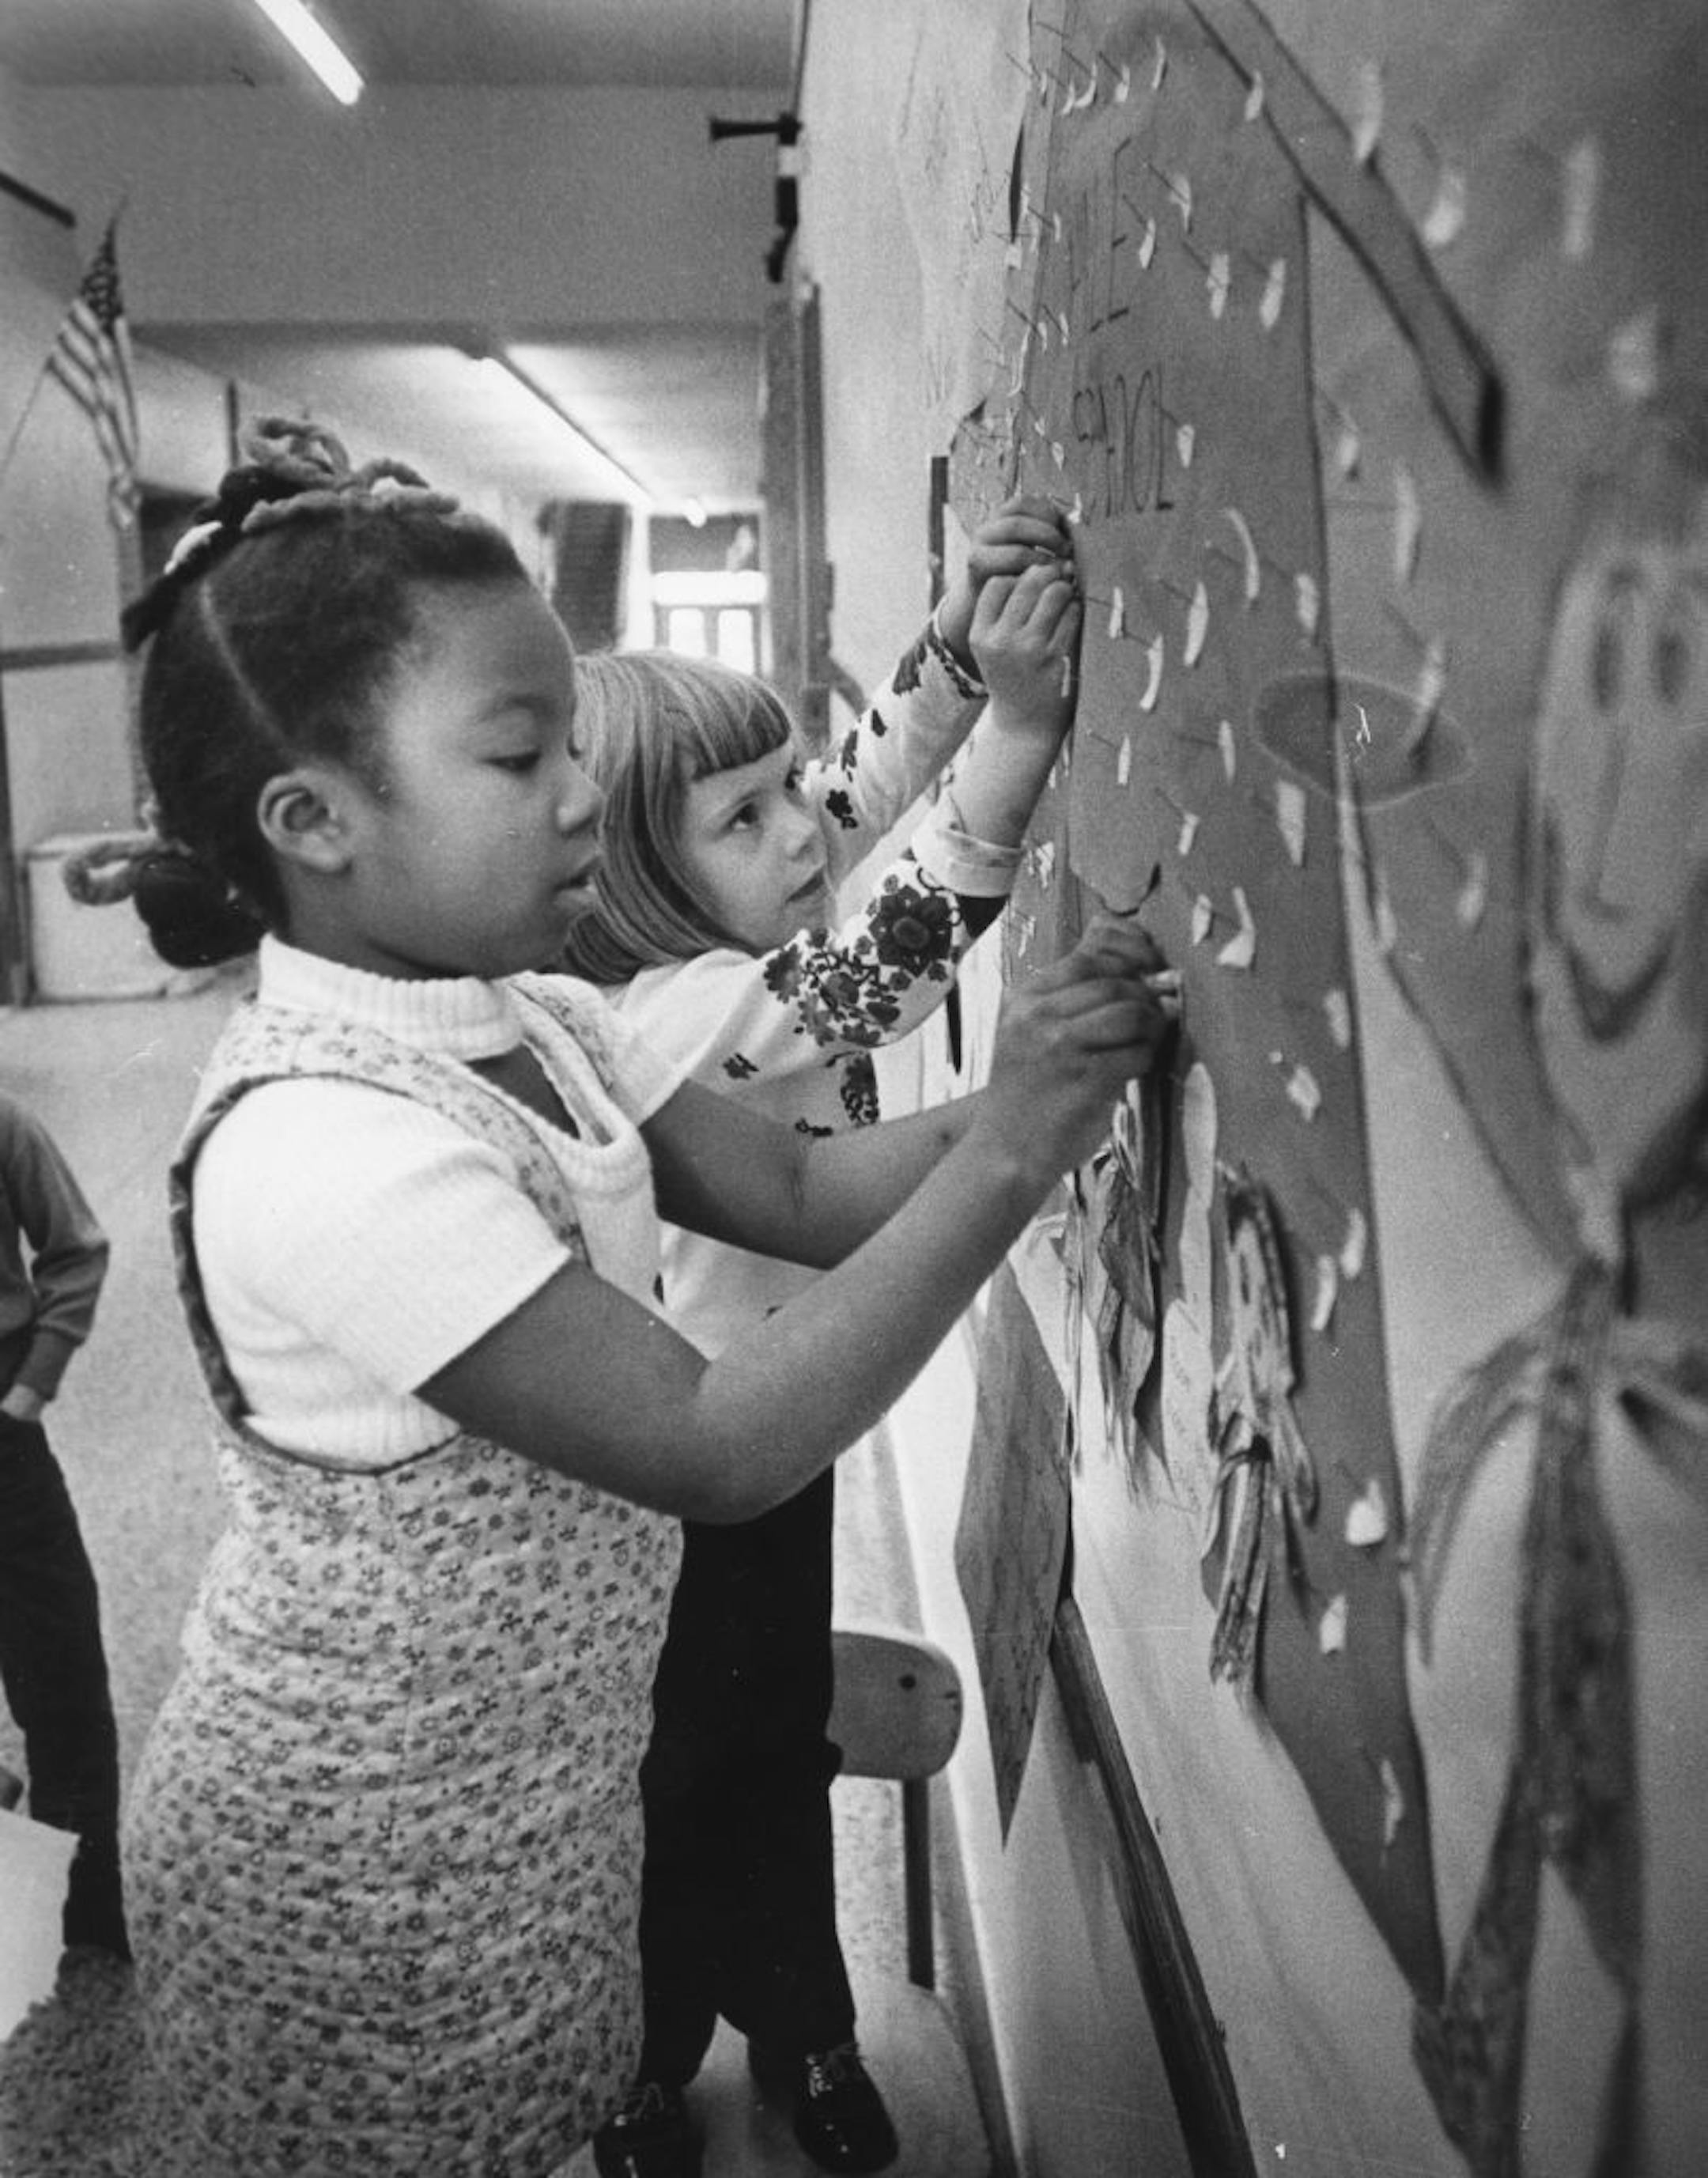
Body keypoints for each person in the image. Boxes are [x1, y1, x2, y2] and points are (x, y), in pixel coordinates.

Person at [113, 417, 1177, 2178]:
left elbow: (799, 1188)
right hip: (368, 1868)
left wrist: (1039, 1090)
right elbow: (710, 1441)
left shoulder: (546, 1019)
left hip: (540, 1804)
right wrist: (1012, 1152)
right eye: (523, 756)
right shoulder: (326, 1147)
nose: (576, 801)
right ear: (313, 824)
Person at [560, 497, 1083, 2178]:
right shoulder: (679, 1009)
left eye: (786, 790)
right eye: (746, 814)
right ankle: (649, 2059)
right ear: (647, 870)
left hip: (768, 1450)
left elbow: (853, 794)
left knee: (763, 1744)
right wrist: (1019, 726)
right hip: (672, 1471)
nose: (804, 830)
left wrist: (945, 649)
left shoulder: (722, 907)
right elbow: (889, 958)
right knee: (675, 1776)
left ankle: (802, 2027)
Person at [0, 1087, 127, 1961]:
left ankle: (78, 1912)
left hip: (2, 1443)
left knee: (62, 1681)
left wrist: (27, 1391)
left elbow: (75, 1247)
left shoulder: (3, 1121)